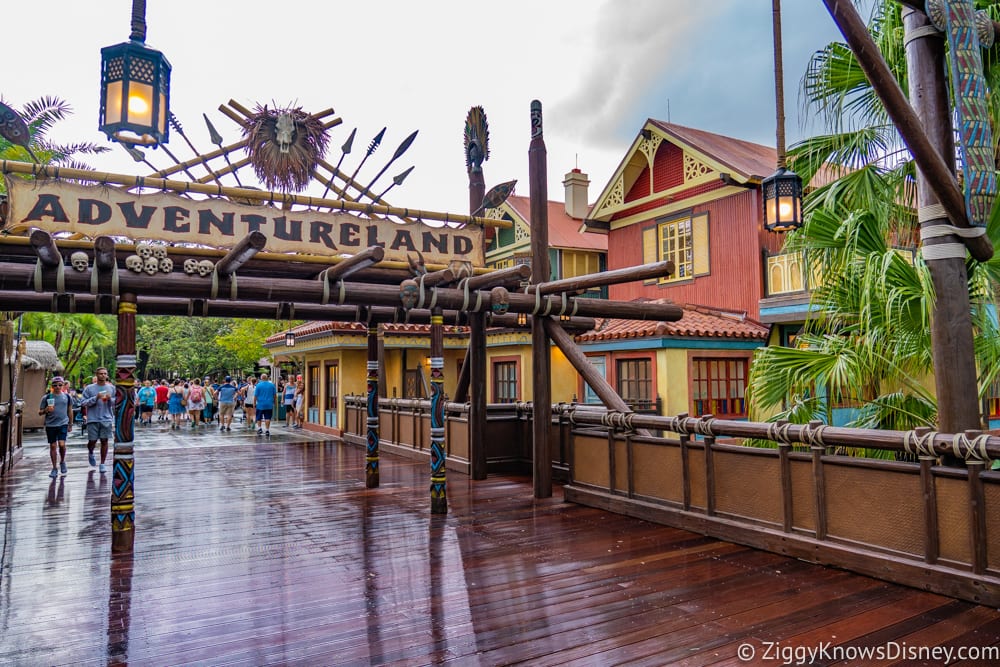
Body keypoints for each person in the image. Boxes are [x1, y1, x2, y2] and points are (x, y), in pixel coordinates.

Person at [80, 367, 116, 473]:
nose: (103, 375)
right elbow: (83, 403)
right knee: (92, 441)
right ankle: (91, 452)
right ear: (96, 374)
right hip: (93, 418)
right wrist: (95, 398)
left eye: (105, 373)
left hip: (107, 418)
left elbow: (116, 403)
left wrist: (110, 399)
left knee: (104, 440)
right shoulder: (89, 388)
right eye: (101, 373)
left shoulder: (111, 388)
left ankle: (102, 463)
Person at [38, 376, 73, 478]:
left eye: (60, 385)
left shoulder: (67, 397)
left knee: (62, 444)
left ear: (63, 386)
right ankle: (54, 468)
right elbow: (39, 412)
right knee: (53, 446)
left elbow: (70, 410)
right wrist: (46, 410)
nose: (57, 387)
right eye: (55, 385)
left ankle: (62, 461)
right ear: (52, 386)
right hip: (51, 424)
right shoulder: (47, 398)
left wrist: (70, 424)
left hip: (63, 423)